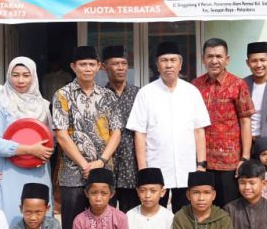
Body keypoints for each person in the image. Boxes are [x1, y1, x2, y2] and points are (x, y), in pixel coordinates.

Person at [52, 45, 122, 229]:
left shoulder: (108, 96)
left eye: (92, 64)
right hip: (73, 173)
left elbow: (116, 131)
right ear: (73, 67)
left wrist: (101, 160)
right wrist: (84, 165)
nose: (88, 69)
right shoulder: (62, 95)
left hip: (103, 172)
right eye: (82, 64)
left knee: (103, 228)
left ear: (99, 66)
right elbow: (61, 135)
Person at [126, 41, 210, 213]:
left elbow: (199, 130)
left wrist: (201, 165)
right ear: (157, 65)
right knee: (155, 215)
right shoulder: (146, 94)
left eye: (173, 60)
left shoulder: (191, 92)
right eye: (164, 60)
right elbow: (139, 134)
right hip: (156, 167)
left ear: (180, 64)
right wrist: (143, 169)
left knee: (185, 216)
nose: (169, 65)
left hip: (187, 167)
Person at [0, 57, 55, 227]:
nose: (20, 80)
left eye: (26, 75)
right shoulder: (0, 103)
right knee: (9, 218)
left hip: (38, 171)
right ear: (8, 76)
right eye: (15, 75)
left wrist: (44, 151)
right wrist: (28, 150)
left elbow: (52, 140)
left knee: (38, 219)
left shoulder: (44, 105)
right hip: (8, 172)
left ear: (34, 77)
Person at [193, 38, 255, 208]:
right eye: (210, 56)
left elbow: (246, 121)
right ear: (203, 59)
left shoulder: (238, 84)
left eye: (219, 56)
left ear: (227, 59)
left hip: (230, 162)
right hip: (202, 162)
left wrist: (245, 157)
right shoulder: (195, 86)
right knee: (204, 209)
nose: (214, 61)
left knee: (230, 210)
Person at [102, 45, 141, 211]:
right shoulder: (100, 95)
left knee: (131, 216)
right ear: (104, 67)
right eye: (115, 63)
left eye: (124, 63)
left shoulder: (139, 95)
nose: (120, 68)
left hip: (131, 167)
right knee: (105, 216)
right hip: (106, 166)